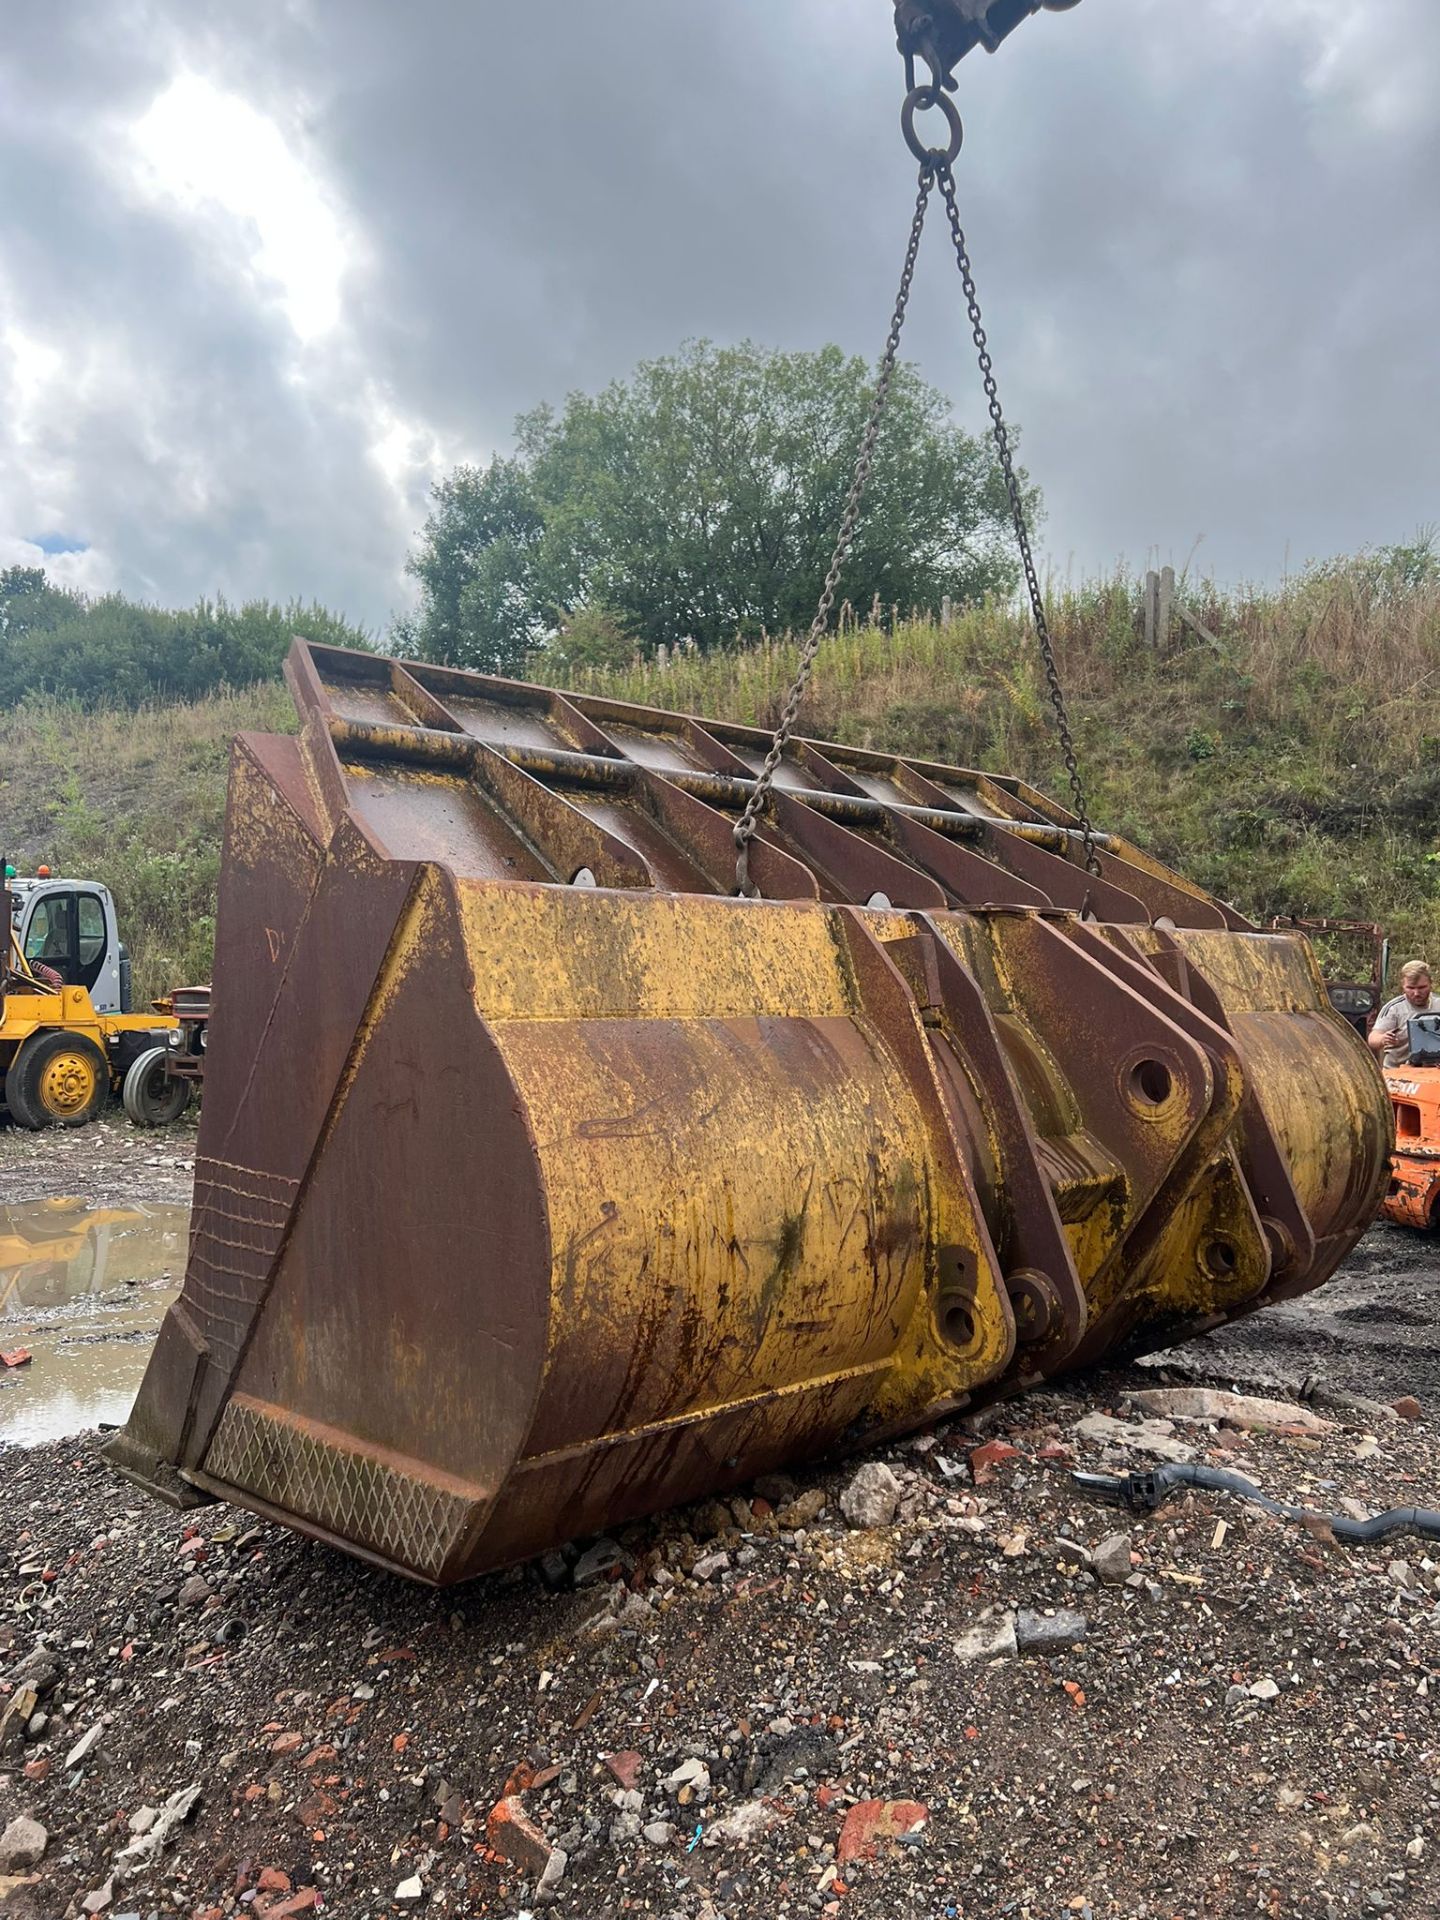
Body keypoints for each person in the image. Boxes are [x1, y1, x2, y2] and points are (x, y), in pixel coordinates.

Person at [1369, 960, 1440, 1068]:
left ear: (1431, 983)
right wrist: (1383, 1038)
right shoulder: (1394, 1008)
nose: (1416, 993)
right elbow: (1372, 1039)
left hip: (1433, 1071)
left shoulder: (1438, 1003)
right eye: (1410, 988)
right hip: (1397, 1072)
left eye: (1422, 987)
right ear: (1403, 985)